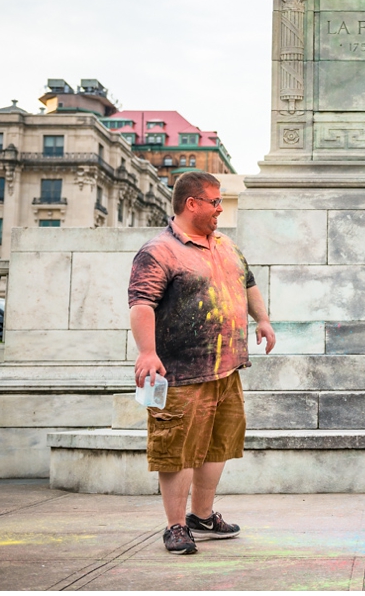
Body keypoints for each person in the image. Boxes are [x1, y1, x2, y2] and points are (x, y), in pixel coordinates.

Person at [128, 171, 276, 555]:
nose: (219, 208)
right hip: (180, 373)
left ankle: (203, 516)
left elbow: (248, 282)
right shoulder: (158, 251)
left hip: (227, 368)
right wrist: (147, 352)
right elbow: (141, 304)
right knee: (177, 451)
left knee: (217, 446)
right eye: (214, 201)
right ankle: (176, 527)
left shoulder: (225, 245)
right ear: (191, 203)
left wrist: (263, 319)